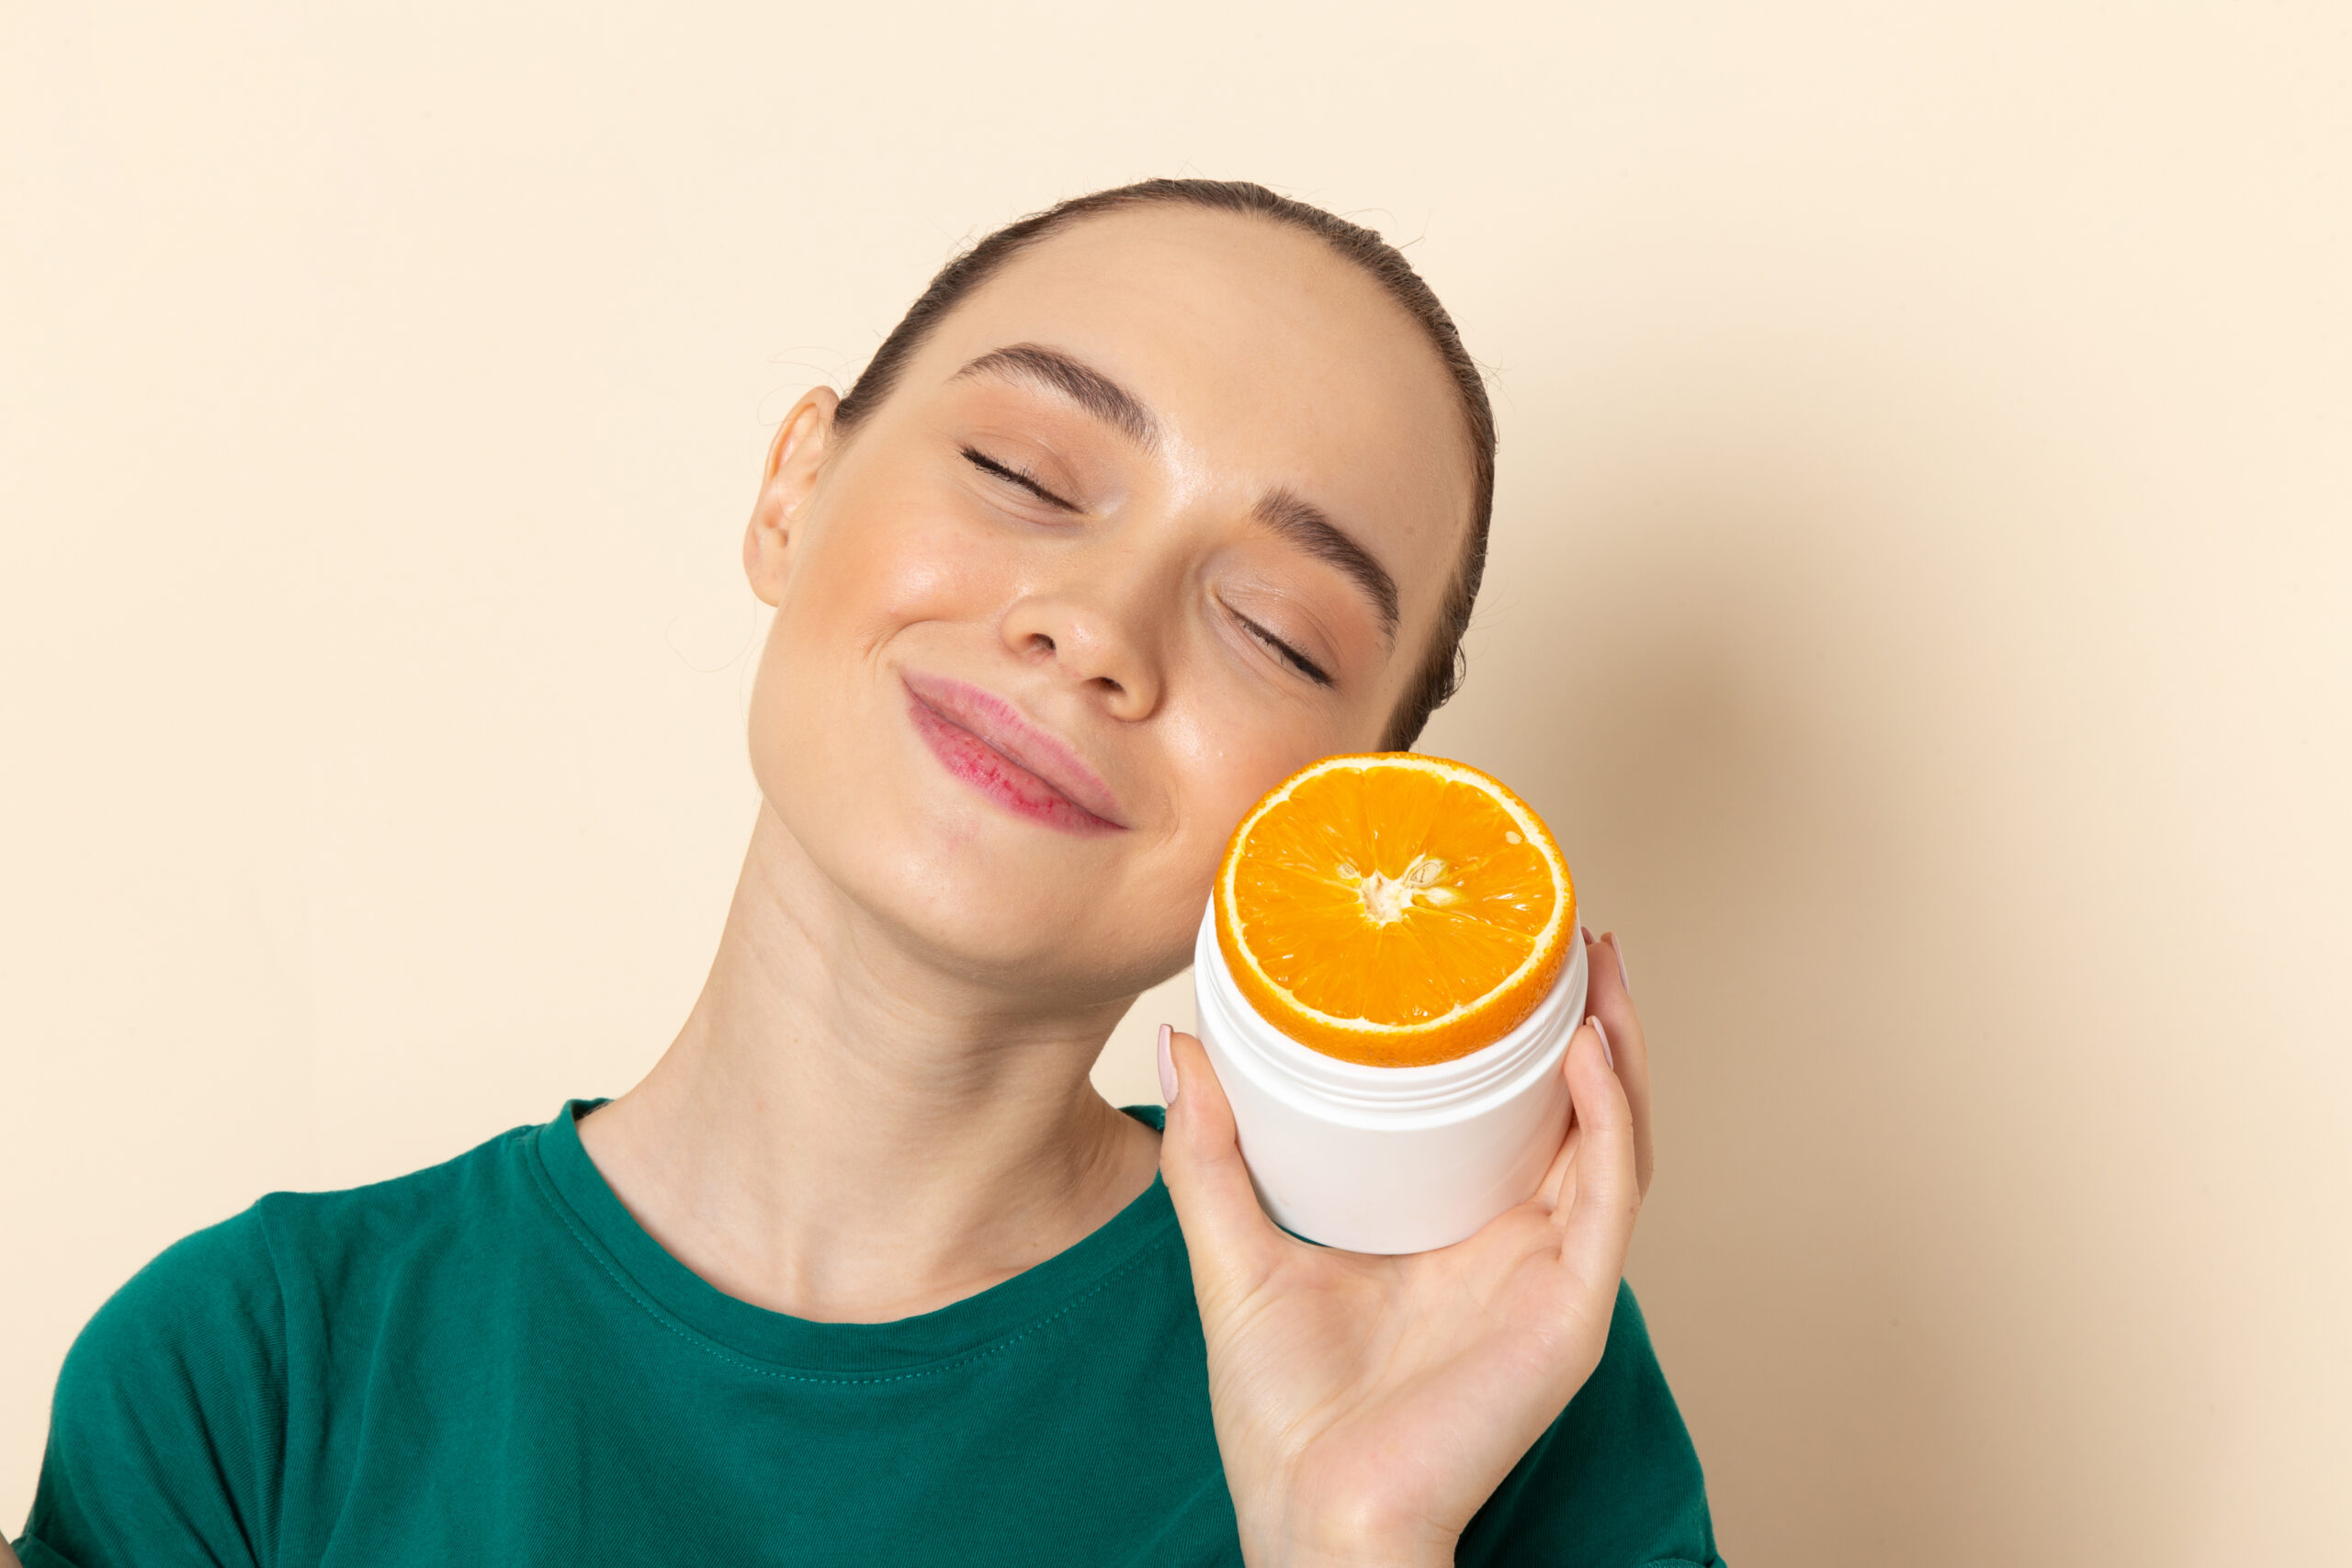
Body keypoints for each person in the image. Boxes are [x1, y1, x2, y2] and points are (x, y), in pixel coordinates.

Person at [13, 179, 1723, 1567]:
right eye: (1023, 472)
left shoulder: (1475, 1380)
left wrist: (1353, 1542)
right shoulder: (253, 1379)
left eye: (1274, 628)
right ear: (793, 487)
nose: (1094, 632)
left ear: (1339, 821)